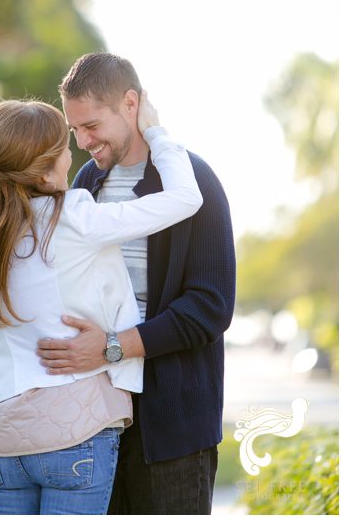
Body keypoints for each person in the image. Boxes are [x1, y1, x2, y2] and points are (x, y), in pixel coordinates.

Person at [0, 93, 202, 515]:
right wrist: (156, 132)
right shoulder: (74, 216)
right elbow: (185, 198)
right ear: (47, 166)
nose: (72, 155)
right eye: (64, 146)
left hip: (0, 442)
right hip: (75, 434)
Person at [36, 53, 236, 514]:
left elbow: (210, 306)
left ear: (130, 103)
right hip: (94, 419)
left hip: (173, 428)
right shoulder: (85, 183)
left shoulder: (194, 181)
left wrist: (111, 346)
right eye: (75, 130)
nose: (84, 141)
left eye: (92, 125)